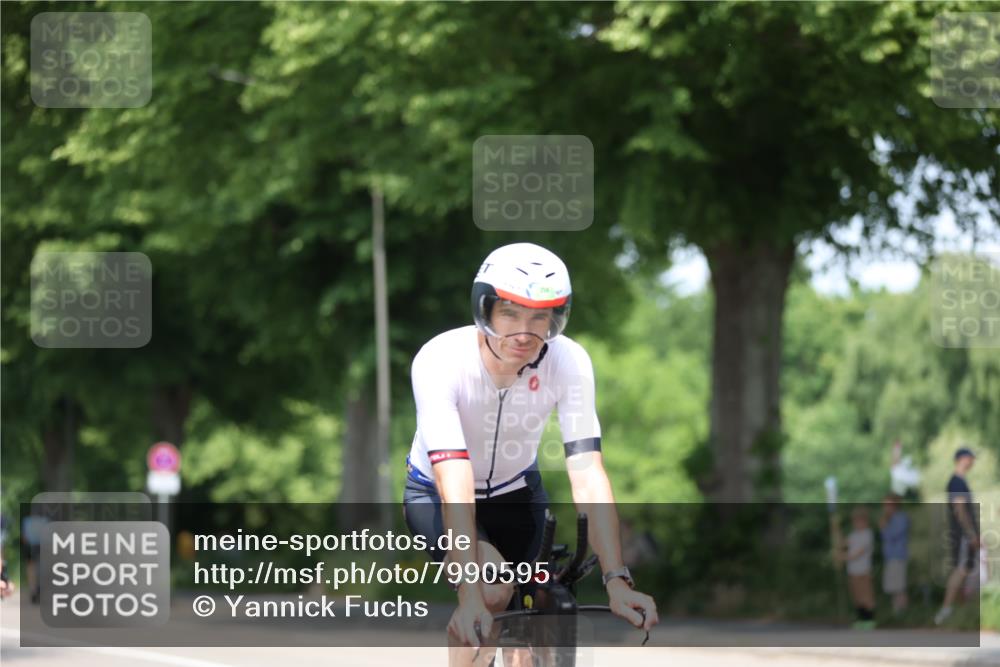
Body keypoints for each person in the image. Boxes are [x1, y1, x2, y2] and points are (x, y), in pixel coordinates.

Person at [402, 243, 659, 667]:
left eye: (540, 317)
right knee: (490, 589)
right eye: (510, 313)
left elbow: (589, 474)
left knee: (538, 619)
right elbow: (456, 484)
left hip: (517, 493)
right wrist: (469, 598)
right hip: (438, 493)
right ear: (484, 309)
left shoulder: (568, 360)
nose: (525, 332)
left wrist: (617, 579)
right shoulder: (439, 360)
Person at [935, 447, 980, 625]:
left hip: (965, 534)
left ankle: (960, 612)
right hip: (962, 534)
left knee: (967, 569)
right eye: (971, 458)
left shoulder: (961, 482)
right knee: (961, 569)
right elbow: (960, 509)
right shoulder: (956, 482)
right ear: (962, 459)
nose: (972, 462)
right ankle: (946, 609)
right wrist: (970, 534)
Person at [842, 506, 875, 630]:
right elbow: (843, 543)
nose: (857, 523)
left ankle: (869, 619)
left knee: (866, 595)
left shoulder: (867, 534)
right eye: (855, 521)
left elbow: (859, 553)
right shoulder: (853, 535)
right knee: (857, 596)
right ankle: (860, 619)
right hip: (853, 571)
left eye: (859, 521)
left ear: (865, 521)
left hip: (864, 570)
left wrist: (844, 557)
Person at [879, 493, 909, 615]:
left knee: (899, 586)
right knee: (893, 587)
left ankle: (902, 613)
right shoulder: (889, 519)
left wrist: (883, 527)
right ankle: (896, 612)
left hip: (898, 556)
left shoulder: (901, 518)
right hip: (890, 557)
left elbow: (891, 535)